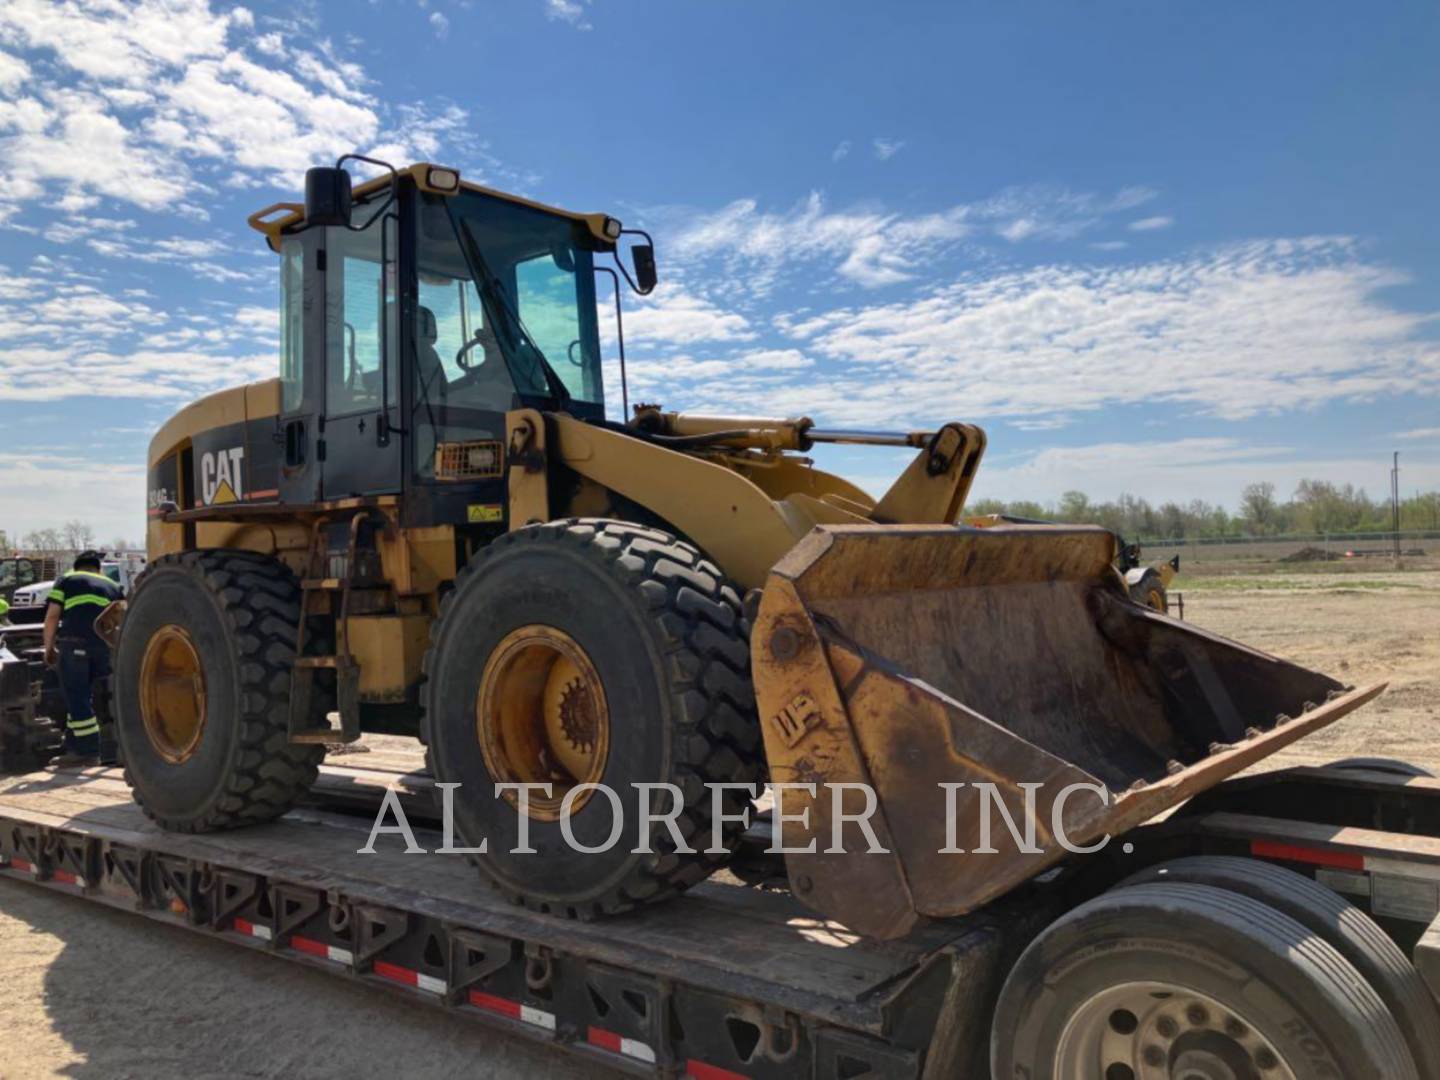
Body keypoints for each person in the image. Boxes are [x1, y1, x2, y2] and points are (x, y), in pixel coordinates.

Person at [43, 551, 122, 766]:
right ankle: (73, 746)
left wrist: (48, 648)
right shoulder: (112, 586)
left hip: (74, 643)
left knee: (76, 696)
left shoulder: (67, 579)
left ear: (77, 567)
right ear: (98, 568)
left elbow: (52, 616)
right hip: (104, 648)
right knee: (79, 698)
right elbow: (119, 618)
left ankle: (88, 752)